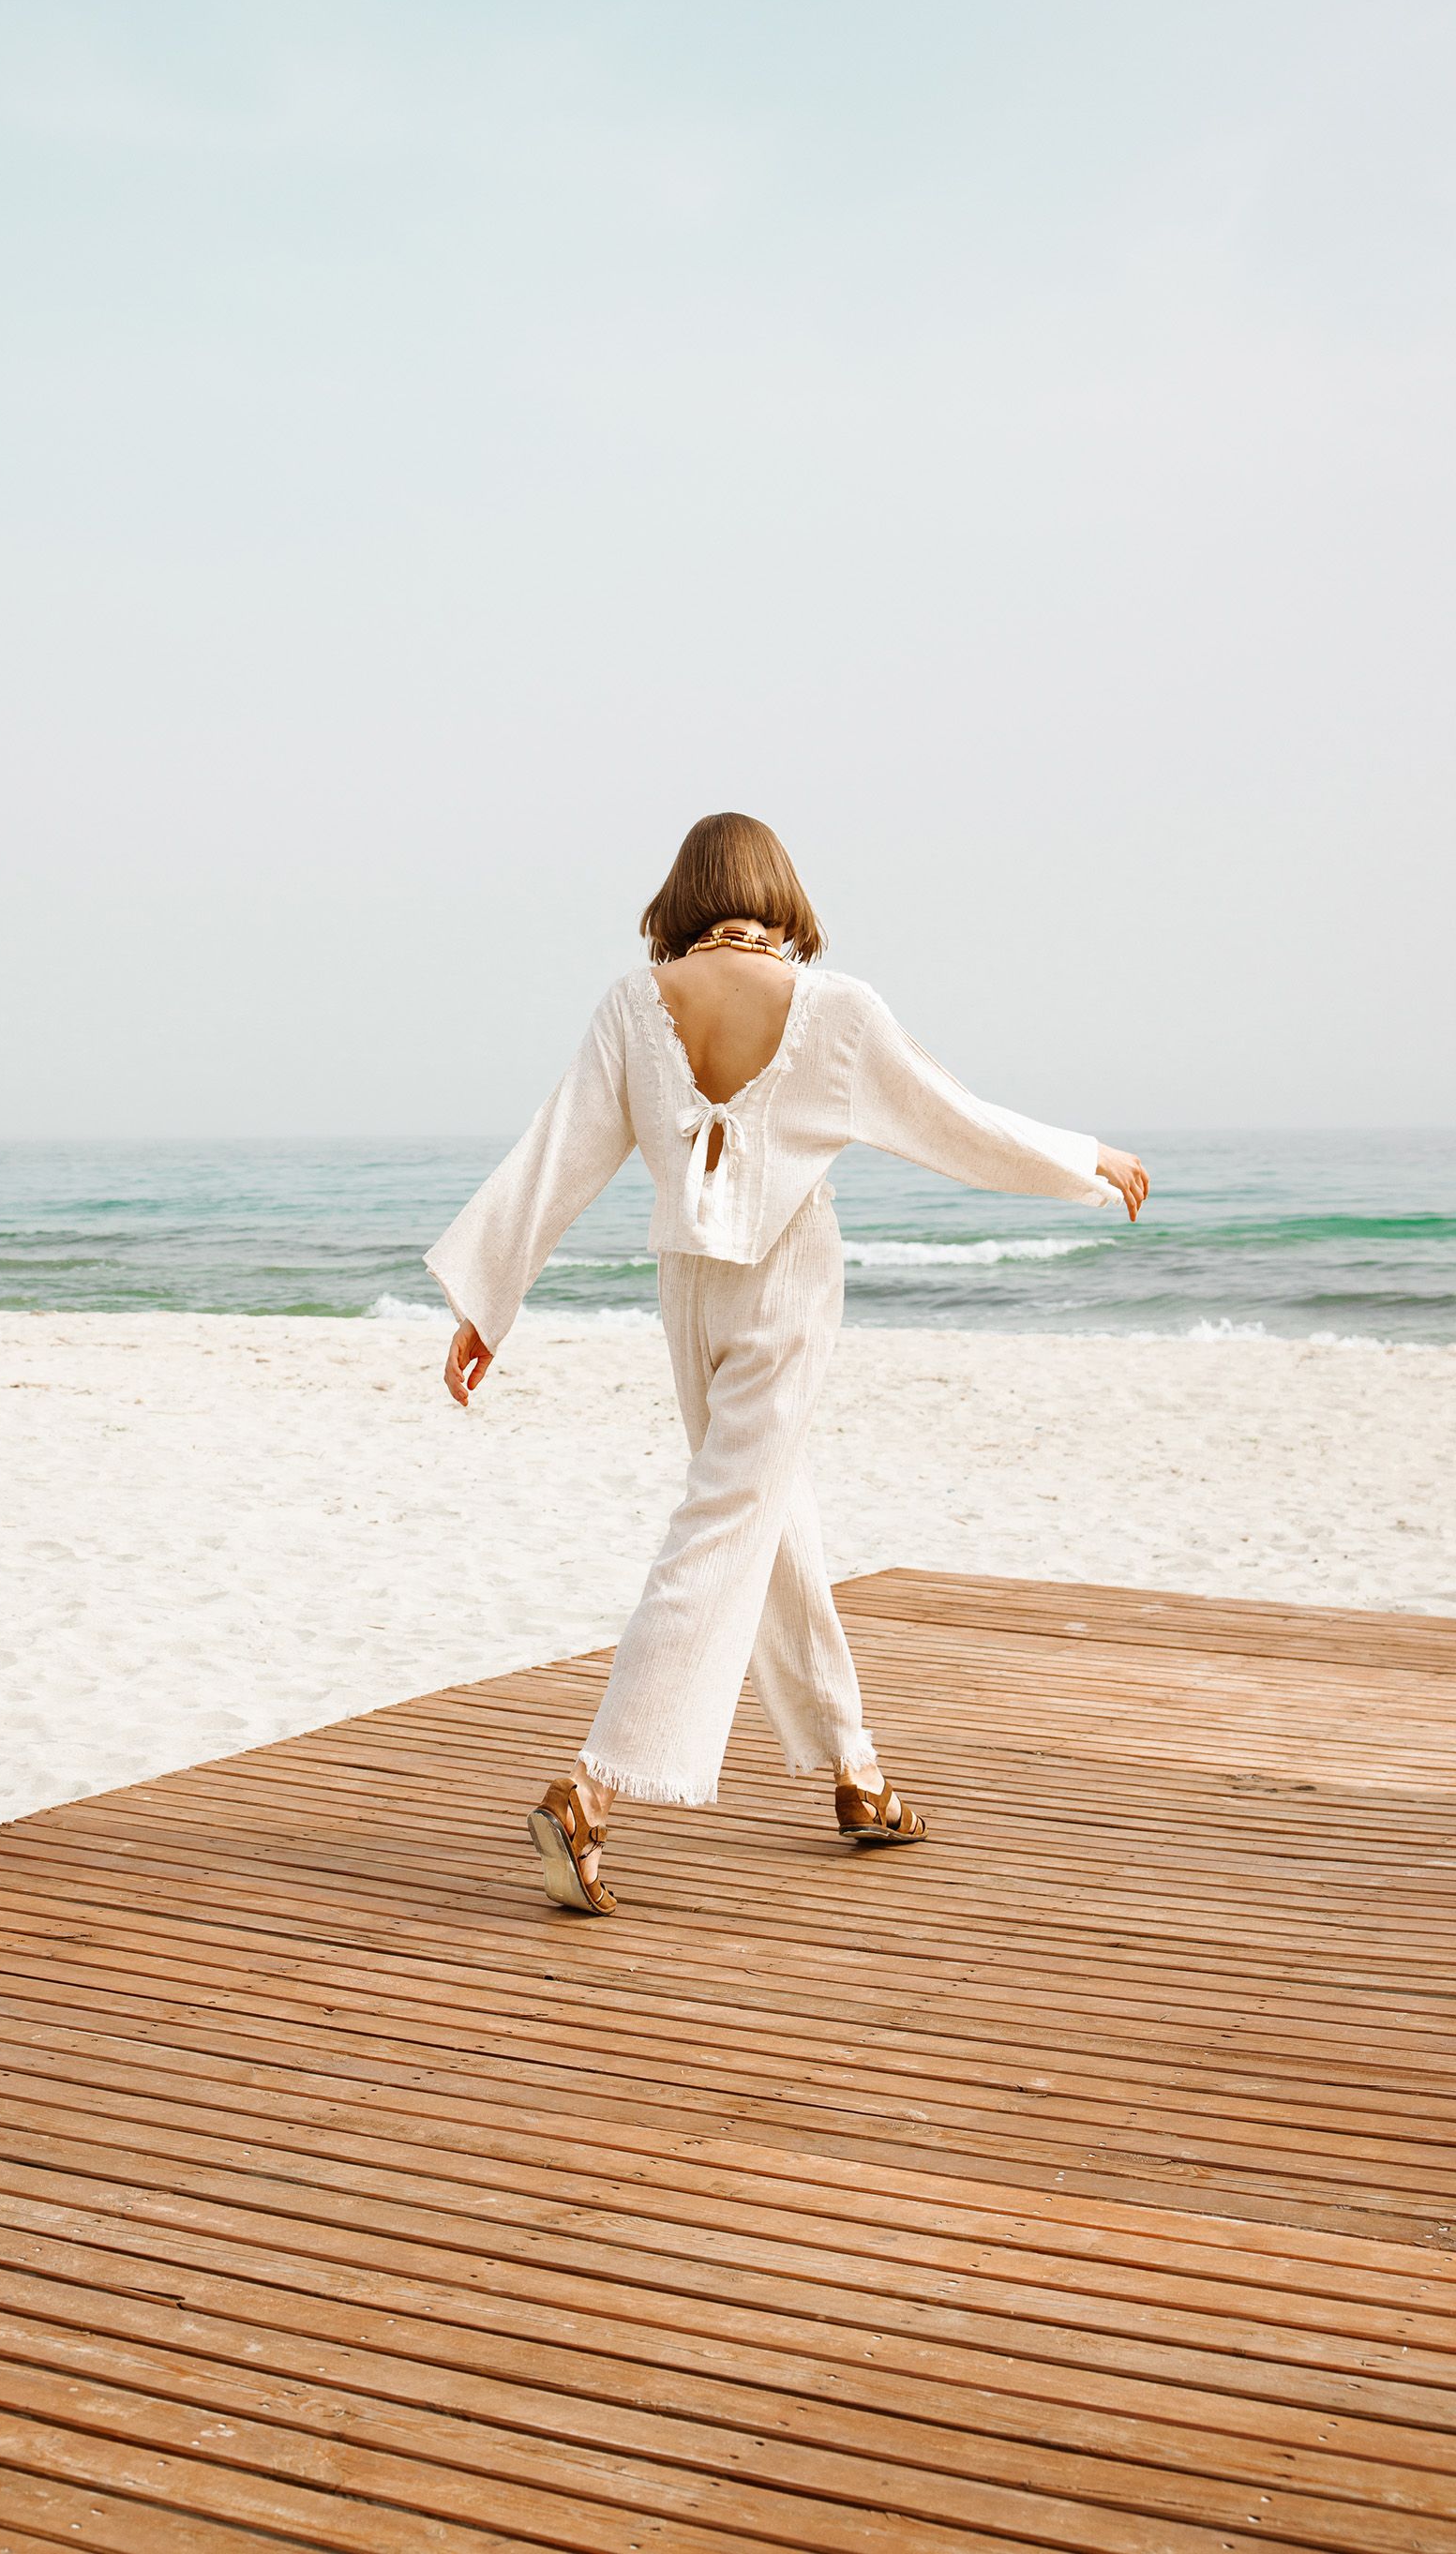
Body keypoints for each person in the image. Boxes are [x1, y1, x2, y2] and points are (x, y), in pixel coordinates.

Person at [425, 812, 1149, 1916]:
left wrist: (490, 1300)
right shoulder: (834, 1012)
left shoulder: (635, 1001)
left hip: (685, 1293)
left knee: (765, 1516)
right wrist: (1080, 1159)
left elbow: (555, 1152)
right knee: (723, 1523)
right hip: (784, 1287)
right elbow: (950, 1123)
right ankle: (590, 1791)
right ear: (778, 896)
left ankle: (853, 1773)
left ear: (682, 896)